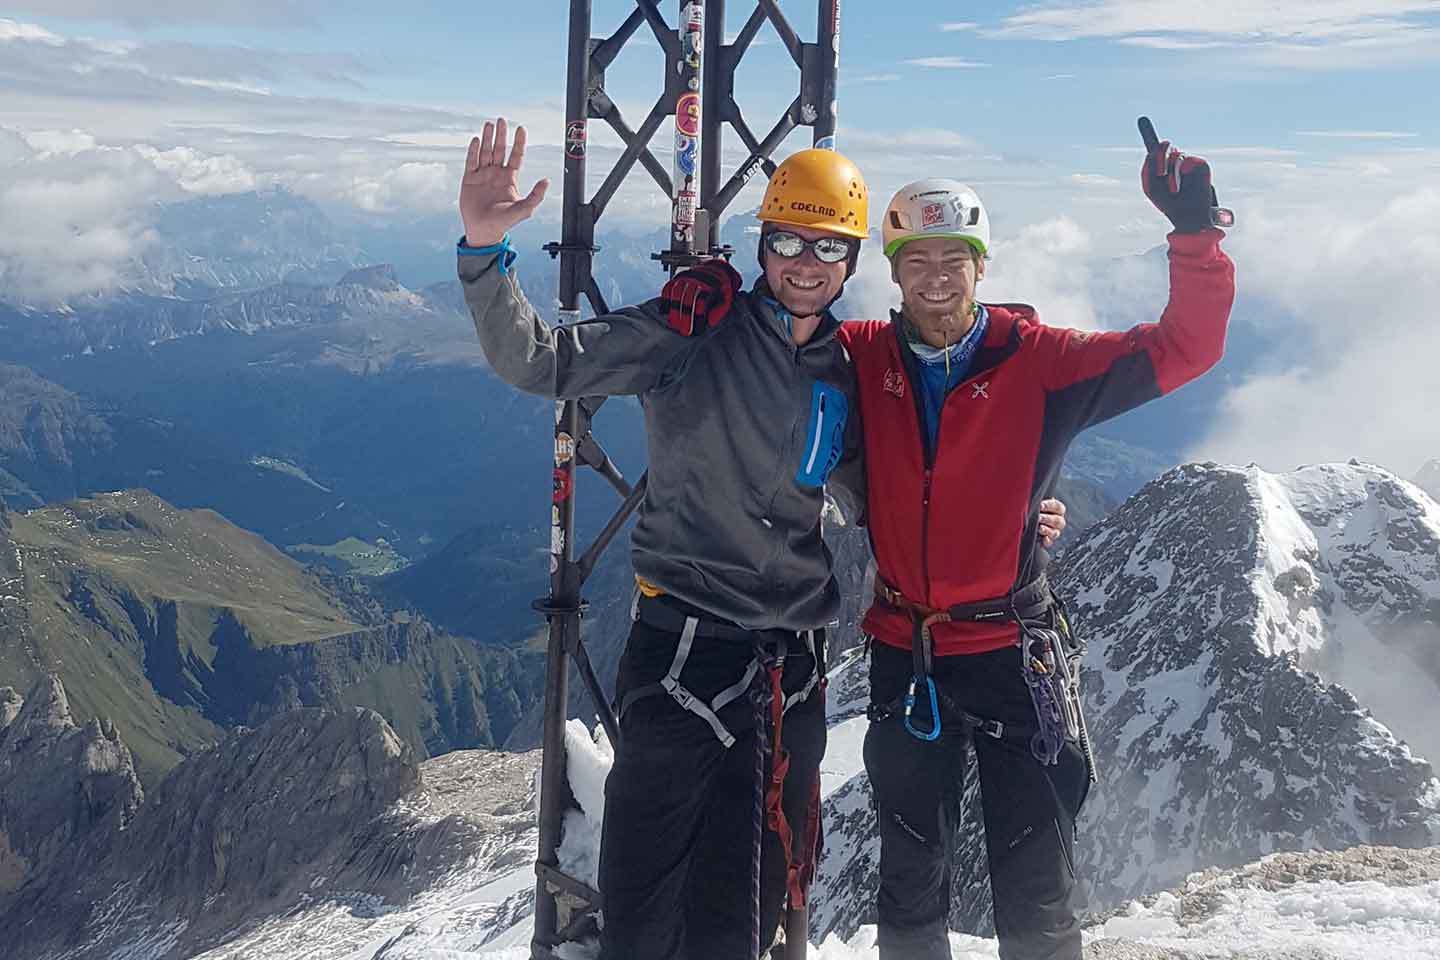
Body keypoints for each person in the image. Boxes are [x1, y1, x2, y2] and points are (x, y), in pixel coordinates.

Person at [456, 118, 1068, 958]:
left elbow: (897, 489)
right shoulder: (690, 334)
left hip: (792, 675)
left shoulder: (853, 373)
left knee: (750, 907)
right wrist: (485, 252)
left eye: (827, 249)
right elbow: (539, 361)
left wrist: (1014, 512)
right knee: (644, 904)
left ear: (852, 262)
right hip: (685, 654)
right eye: (788, 242)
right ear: (762, 245)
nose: (805, 264)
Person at [839, 126, 1236, 959]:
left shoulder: (1042, 362)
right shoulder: (861, 357)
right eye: (918, 260)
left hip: (1014, 648)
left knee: (1034, 882)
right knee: (909, 878)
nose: (937, 278)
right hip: (904, 645)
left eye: (955, 260)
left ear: (983, 267)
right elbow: (777, 341)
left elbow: (1184, 348)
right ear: (894, 272)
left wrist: (1194, 235)